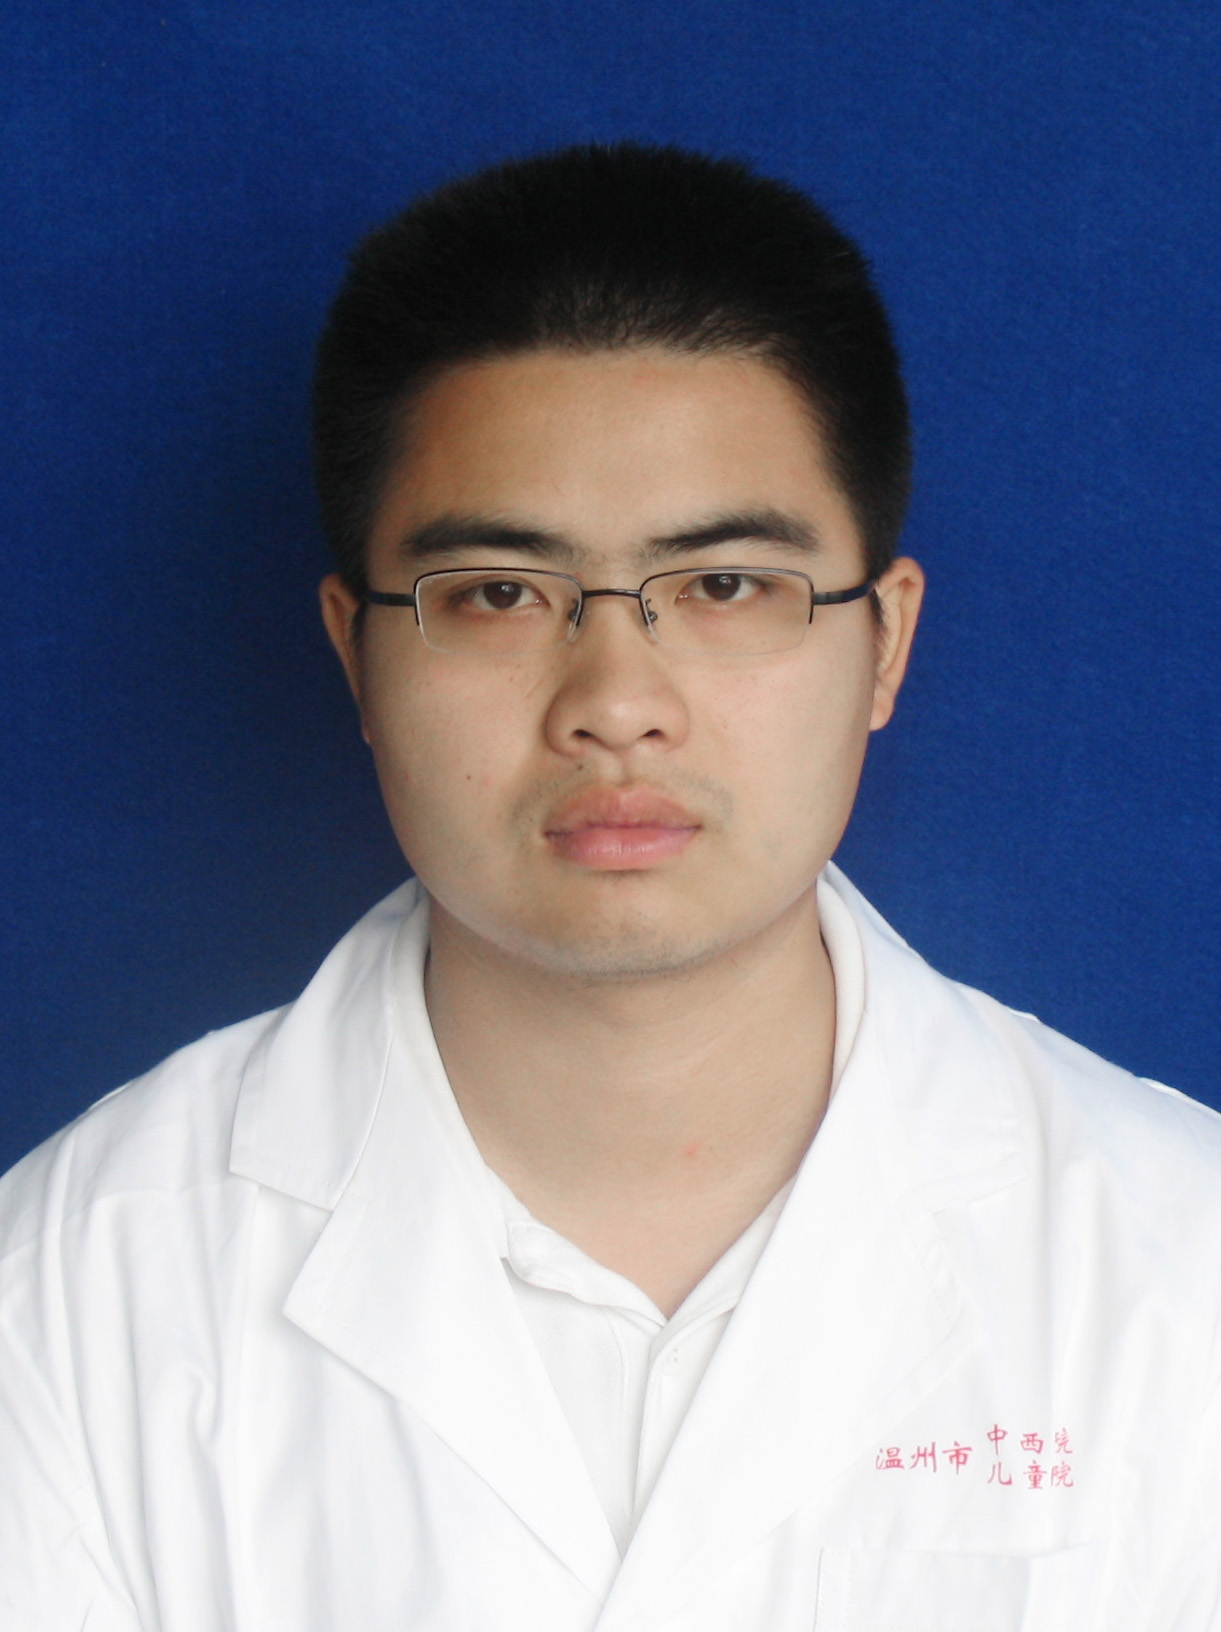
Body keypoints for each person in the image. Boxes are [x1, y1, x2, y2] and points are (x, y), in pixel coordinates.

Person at [1, 142, 1218, 1631]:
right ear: (355, 655)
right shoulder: (68, 1295)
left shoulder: (1179, 1262)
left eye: (725, 586)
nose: (616, 704)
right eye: (497, 594)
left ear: (884, 645)